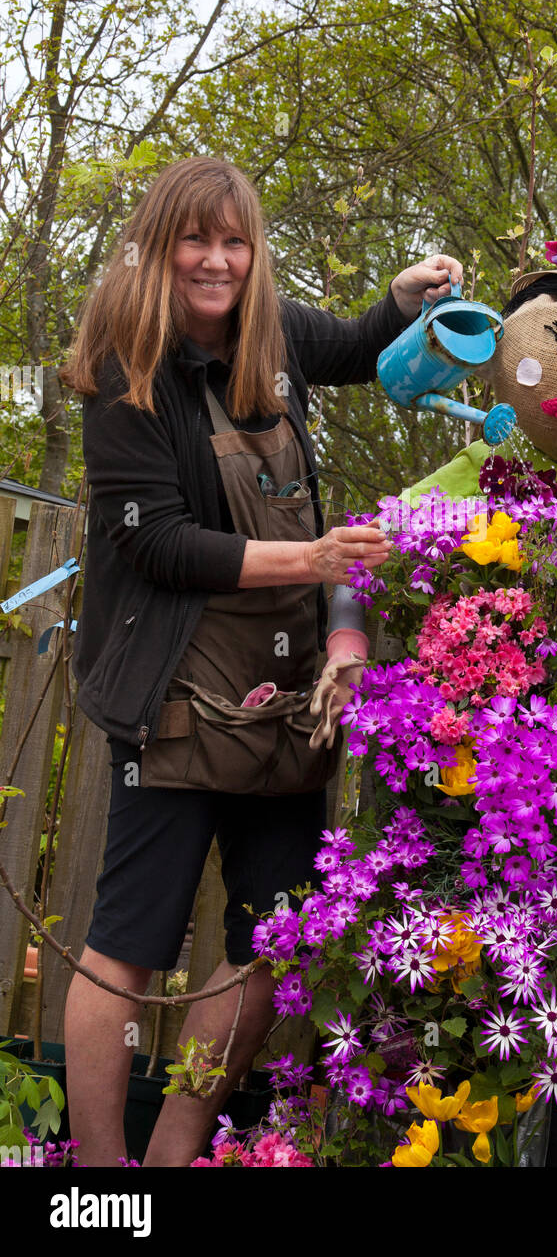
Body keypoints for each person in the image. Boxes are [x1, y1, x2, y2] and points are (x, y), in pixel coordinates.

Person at [58, 155, 462, 1166]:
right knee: (128, 946)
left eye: (234, 241)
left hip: (284, 702)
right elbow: (156, 542)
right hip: (174, 700)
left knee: (266, 942)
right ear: (159, 247)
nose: (217, 260)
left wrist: (401, 299)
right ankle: (101, 1175)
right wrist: (317, 559)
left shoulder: (270, 332)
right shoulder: (125, 370)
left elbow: (367, 346)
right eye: (196, 239)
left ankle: (175, 1153)